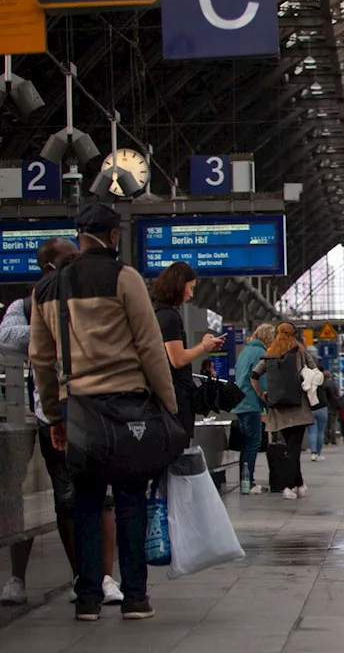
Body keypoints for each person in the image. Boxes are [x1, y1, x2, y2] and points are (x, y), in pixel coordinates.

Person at [28, 203, 178, 622]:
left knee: (87, 504)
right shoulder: (125, 277)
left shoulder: (45, 290)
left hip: (79, 411)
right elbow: (149, 346)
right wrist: (168, 403)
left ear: (79, 235)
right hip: (128, 407)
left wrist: (55, 418)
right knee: (129, 499)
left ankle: (89, 599)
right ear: (113, 236)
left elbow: (40, 359)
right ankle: (134, 597)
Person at [0, 238, 124, 608]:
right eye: (69, 259)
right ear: (48, 266)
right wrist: (54, 324)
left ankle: (103, 577)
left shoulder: (90, 296)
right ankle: (73, 575)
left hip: (94, 408)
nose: (77, 263)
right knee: (63, 499)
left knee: (102, 496)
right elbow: (6, 338)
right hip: (46, 413)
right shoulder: (24, 306)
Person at [150, 262, 224, 439]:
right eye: (190, 288)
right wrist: (204, 346)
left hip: (168, 395)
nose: (191, 294)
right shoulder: (169, 317)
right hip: (175, 398)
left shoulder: (159, 313)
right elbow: (178, 359)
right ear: (178, 285)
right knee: (178, 453)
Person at [250, 323, 319, 500]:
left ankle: (300, 483)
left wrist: (260, 394)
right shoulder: (301, 352)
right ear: (294, 334)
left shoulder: (270, 354)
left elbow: (254, 375)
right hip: (299, 407)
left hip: (279, 408)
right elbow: (315, 372)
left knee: (290, 446)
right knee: (293, 448)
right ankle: (289, 486)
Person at [231, 324, 275, 494]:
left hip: (240, 403)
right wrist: (267, 401)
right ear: (267, 338)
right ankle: (247, 483)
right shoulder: (260, 353)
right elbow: (261, 381)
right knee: (253, 443)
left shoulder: (245, 351)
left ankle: (245, 482)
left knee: (247, 443)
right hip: (251, 403)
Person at [303, 361, 328, 462]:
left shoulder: (306, 380)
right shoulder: (321, 380)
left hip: (311, 408)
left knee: (312, 431)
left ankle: (313, 453)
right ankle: (318, 453)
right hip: (322, 407)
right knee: (321, 431)